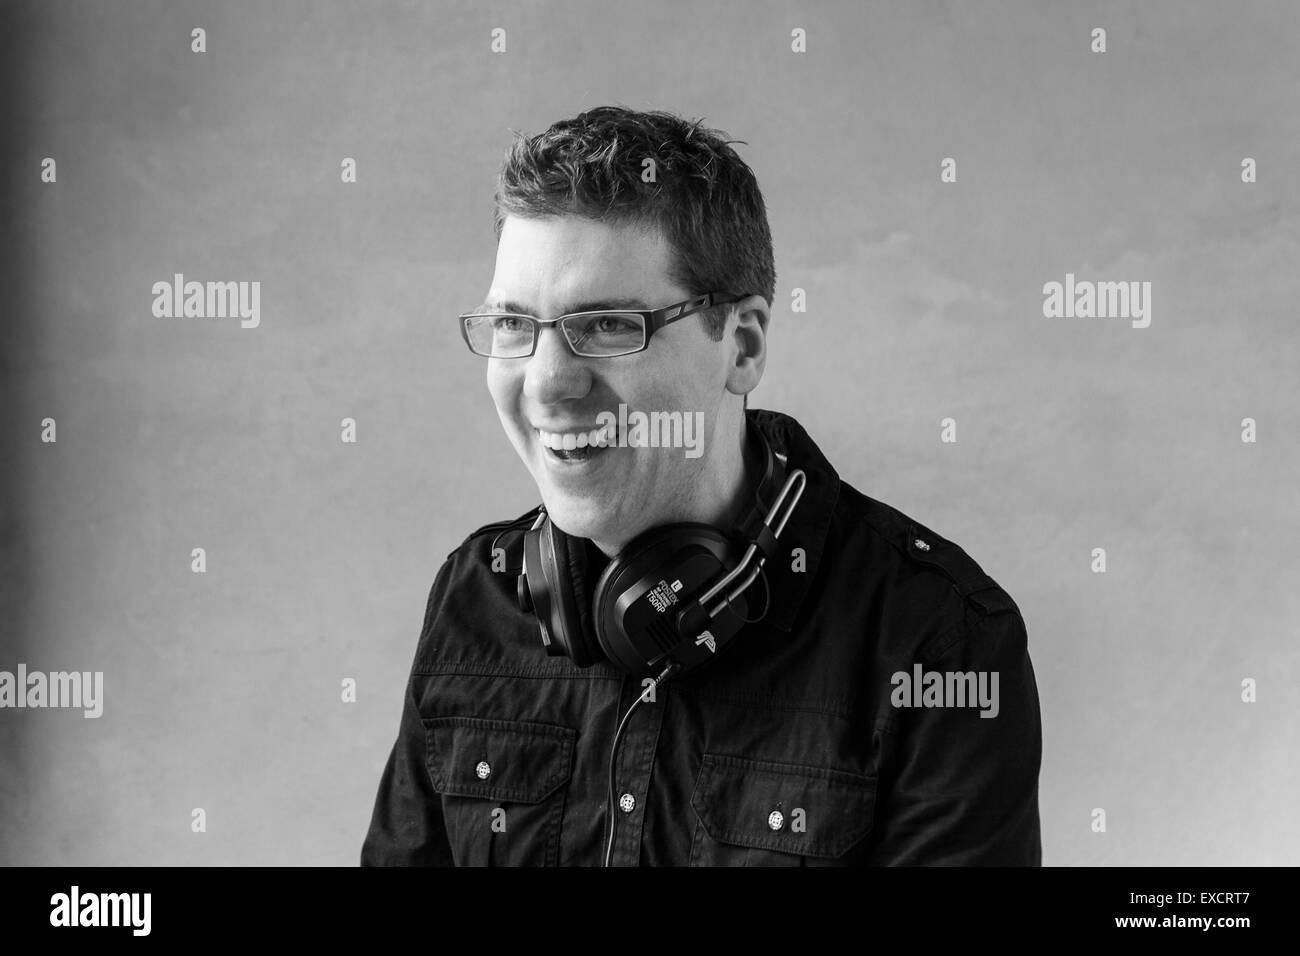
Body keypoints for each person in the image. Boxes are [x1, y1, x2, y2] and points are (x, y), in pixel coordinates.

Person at [361, 105, 1042, 866]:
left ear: (742, 346)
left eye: (610, 326)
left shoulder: (940, 642)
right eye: (515, 327)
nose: (548, 386)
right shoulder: (474, 597)